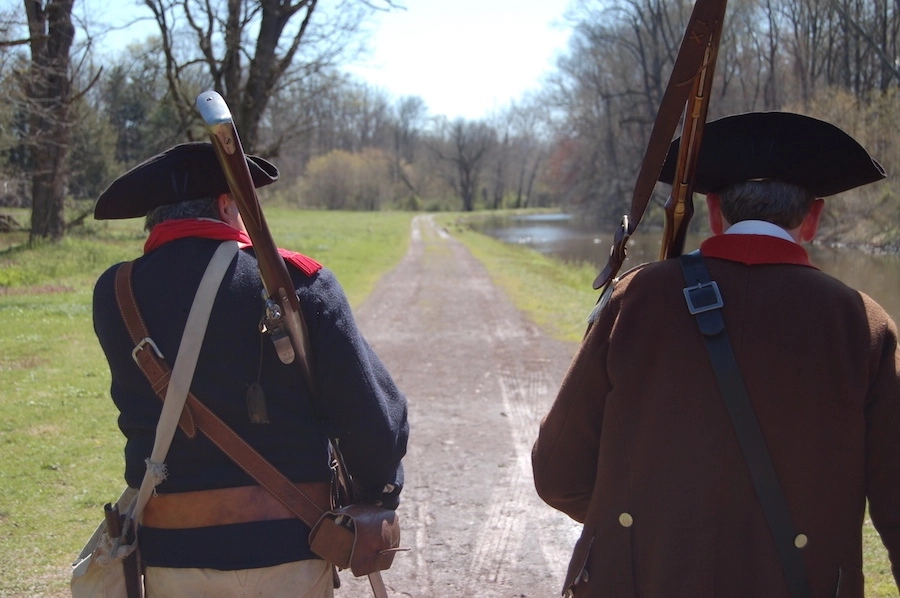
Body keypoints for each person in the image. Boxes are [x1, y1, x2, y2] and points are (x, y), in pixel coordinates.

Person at [532, 112, 900, 597]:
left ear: (712, 210)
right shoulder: (864, 324)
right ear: (813, 217)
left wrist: (647, 526)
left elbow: (557, 472)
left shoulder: (635, 299)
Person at [91, 142, 409, 597]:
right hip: (292, 548)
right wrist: (379, 495)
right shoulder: (298, 284)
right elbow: (374, 424)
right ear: (226, 204)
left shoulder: (114, 293)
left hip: (171, 556)